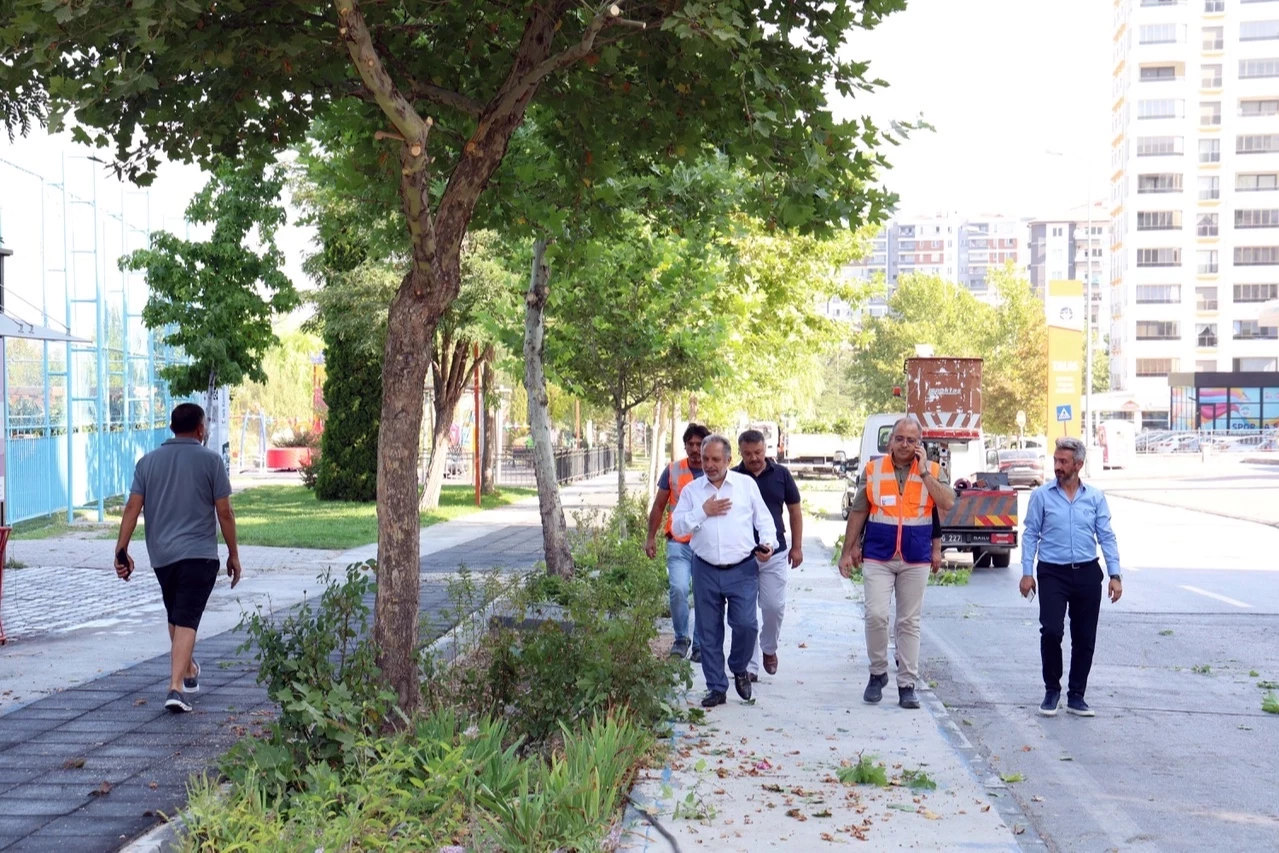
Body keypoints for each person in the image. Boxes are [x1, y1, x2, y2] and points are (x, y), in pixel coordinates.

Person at [113, 403, 242, 713]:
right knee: (183, 617)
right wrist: (233, 554)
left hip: (162, 556)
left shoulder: (148, 463)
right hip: (199, 555)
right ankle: (176, 687)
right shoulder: (211, 461)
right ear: (200, 429)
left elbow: (132, 508)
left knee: (178, 615)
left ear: (172, 427)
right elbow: (224, 512)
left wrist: (122, 549)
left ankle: (189, 668)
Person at [838, 417, 955, 710]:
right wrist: (847, 550)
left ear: (920, 444)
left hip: (915, 556)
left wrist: (925, 472)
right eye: (899, 438)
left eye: (911, 440)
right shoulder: (873, 470)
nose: (905, 445)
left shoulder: (933, 471)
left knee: (908, 622)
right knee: (876, 615)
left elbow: (947, 502)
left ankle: (907, 684)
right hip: (879, 554)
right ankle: (878, 672)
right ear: (890, 441)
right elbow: (858, 511)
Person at [1019, 436, 1122, 718]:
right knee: (1052, 631)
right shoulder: (1041, 496)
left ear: (1078, 464)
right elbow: (1030, 534)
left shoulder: (1095, 497)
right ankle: (1052, 690)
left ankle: (1076, 695)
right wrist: (1027, 572)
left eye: (1063, 461)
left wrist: (1115, 574)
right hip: (1052, 573)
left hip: (1087, 573)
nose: (1057, 466)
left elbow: (1106, 536)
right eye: (1055, 460)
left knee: (1084, 637)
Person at [673, 435, 777, 708]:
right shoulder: (692, 491)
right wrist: (702, 511)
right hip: (705, 568)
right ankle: (716, 687)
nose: (709, 464)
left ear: (728, 460)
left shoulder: (745, 485)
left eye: (716, 459)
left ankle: (739, 667)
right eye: (705, 459)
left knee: (746, 624)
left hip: (742, 569)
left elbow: (765, 521)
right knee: (708, 632)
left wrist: (768, 544)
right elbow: (677, 527)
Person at [733, 429, 802, 679]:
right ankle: (749, 666)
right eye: (748, 453)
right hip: (742, 556)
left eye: (758, 452)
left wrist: (797, 546)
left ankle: (769, 648)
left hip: (775, 553)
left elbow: (795, 511)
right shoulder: (733, 478)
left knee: (774, 606)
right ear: (740, 453)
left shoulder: (781, 474)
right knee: (745, 614)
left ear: (765, 449)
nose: (754, 458)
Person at [645, 423, 711, 661]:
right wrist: (650, 537)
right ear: (685, 446)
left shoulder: (715, 472)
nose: (694, 449)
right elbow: (659, 506)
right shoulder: (673, 470)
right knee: (679, 589)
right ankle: (681, 638)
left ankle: (700, 644)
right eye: (690, 444)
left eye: (699, 444)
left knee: (704, 595)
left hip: (706, 546)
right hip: (679, 543)